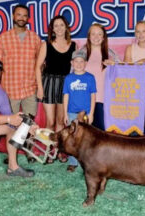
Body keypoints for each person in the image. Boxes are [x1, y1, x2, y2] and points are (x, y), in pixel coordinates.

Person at [35, 15, 76, 163]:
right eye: (56, 25)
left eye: (61, 25)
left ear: (66, 27)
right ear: (52, 29)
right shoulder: (46, 44)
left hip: (65, 85)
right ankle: (48, 151)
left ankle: (58, 151)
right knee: (50, 121)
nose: (59, 28)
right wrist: (40, 87)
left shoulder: (73, 45)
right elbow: (38, 67)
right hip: (49, 83)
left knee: (60, 121)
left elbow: (78, 66)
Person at [0, 4, 41, 116]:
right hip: (10, 92)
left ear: (28, 18)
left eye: (25, 16)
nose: (21, 18)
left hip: (30, 91)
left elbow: (40, 64)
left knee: (28, 126)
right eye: (19, 15)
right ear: (13, 16)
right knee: (10, 128)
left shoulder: (35, 38)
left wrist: (39, 85)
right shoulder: (3, 38)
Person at [80, 23, 120, 130]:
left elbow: (122, 75)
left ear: (103, 37)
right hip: (83, 99)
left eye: (99, 34)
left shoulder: (111, 55)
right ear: (89, 36)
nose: (96, 37)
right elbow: (73, 75)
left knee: (101, 133)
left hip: (103, 100)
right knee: (83, 134)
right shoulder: (81, 53)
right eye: (93, 34)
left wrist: (114, 66)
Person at [62, 50, 96, 172]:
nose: (79, 64)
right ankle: (73, 162)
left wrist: (91, 113)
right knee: (71, 137)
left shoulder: (90, 77)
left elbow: (93, 96)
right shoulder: (69, 78)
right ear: (72, 63)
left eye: (81, 61)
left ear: (85, 63)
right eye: (76, 61)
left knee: (85, 138)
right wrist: (65, 113)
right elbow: (66, 95)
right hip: (71, 113)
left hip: (85, 113)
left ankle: (86, 162)